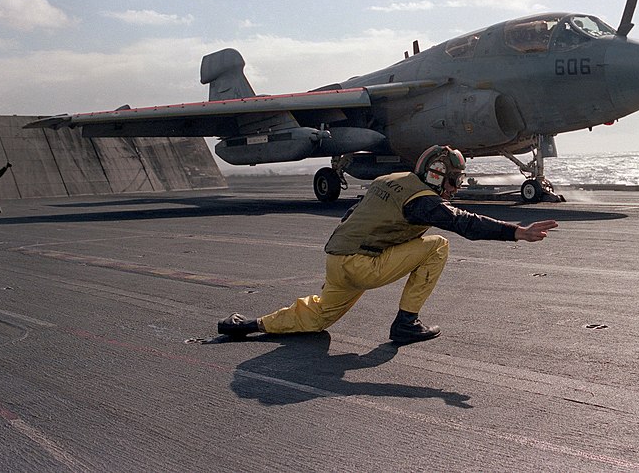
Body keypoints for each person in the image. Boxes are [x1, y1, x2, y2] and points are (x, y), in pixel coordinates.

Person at [218, 145, 558, 344]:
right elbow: (464, 224)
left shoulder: (388, 179)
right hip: (362, 265)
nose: (456, 188)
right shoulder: (424, 201)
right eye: (454, 181)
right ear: (439, 175)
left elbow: (354, 212)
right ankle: (406, 323)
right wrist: (516, 231)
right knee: (437, 245)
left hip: (337, 260)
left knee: (316, 319)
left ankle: (248, 325)